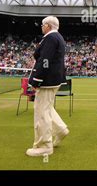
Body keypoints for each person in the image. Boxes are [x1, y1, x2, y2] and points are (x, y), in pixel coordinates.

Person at [27, 16, 69, 157]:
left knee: (41, 112)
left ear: (48, 26)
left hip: (47, 80)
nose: (41, 27)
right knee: (47, 107)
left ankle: (45, 145)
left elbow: (45, 60)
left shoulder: (51, 38)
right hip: (54, 79)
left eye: (42, 24)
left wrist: (36, 80)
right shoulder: (58, 37)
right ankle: (61, 130)